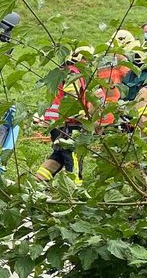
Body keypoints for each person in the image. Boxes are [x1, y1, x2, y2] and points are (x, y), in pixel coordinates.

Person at [36, 46, 112, 183]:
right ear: (81, 59)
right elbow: (71, 93)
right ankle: (75, 190)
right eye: (88, 59)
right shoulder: (74, 73)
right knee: (73, 156)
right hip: (66, 122)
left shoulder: (64, 71)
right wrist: (82, 114)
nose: (90, 63)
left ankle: (37, 182)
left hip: (56, 121)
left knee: (58, 157)